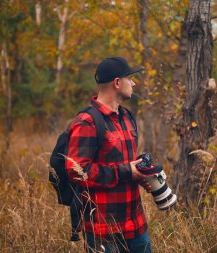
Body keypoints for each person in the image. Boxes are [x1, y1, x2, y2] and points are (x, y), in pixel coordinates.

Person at [65, 57, 152, 253]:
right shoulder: (87, 122)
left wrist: (141, 174)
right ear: (117, 83)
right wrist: (126, 172)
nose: (134, 83)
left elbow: (126, 165)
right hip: (103, 230)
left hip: (136, 225)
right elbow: (77, 172)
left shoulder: (127, 117)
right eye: (130, 78)